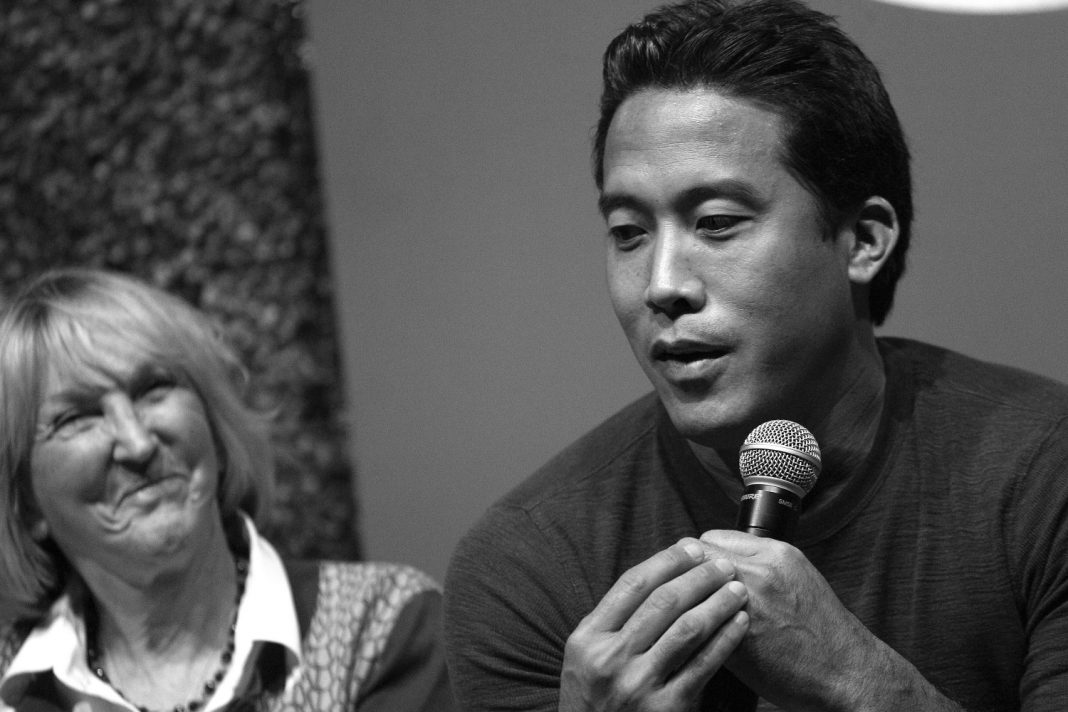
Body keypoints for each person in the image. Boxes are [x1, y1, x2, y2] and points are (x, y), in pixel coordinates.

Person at [442, 1, 1068, 710]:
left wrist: (857, 681)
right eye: (628, 233)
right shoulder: (529, 563)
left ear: (863, 241)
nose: (662, 285)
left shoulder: (1044, 474)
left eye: (716, 223)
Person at [0, 268, 454, 711]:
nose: (137, 444)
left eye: (154, 388)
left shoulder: (382, 626)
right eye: (78, 417)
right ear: (27, 502)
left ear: (215, 427)